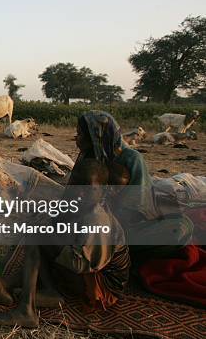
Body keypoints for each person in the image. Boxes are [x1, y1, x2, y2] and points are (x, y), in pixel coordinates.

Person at [0, 159, 130, 327]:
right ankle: (18, 285)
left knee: (37, 237)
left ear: (102, 191)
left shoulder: (98, 220)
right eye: (75, 186)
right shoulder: (82, 204)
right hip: (87, 268)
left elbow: (80, 264)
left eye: (87, 188)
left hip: (102, 286)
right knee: (42, 234)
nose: (79, 193)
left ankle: (26, 310)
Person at [73, 110, 193, 262]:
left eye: (81, 134)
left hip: (123, 226)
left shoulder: (132, 159)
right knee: (181, 228)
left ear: (95, 136)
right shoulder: (86, 157)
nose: (76, 139)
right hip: (97, 226)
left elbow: (137, 208)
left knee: (181, 227)